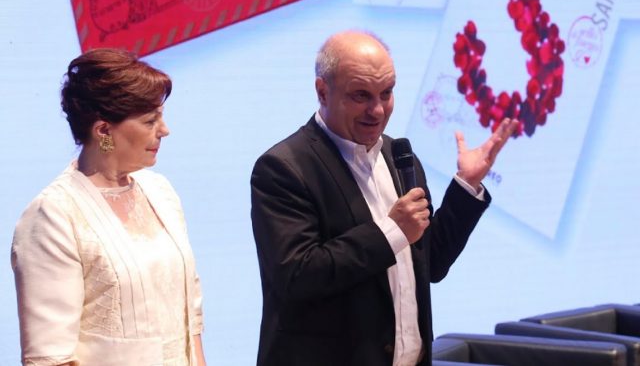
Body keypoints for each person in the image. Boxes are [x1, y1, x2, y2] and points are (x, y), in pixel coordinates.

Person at [250, 30, 518, 366]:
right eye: (361, 95)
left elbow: (430, 263)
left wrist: (466, 186)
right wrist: (391, 231)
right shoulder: (283, 168)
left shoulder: (399, 156)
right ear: (322, 91)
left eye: (387, 93)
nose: (377, 110)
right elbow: (298, 276)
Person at [11, 48, 205, 366]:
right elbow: (51, 356)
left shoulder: (160, 192)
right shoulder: (54, 215)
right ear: (103, 132)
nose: (164, 130)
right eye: (150, 120)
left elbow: (190, 317)